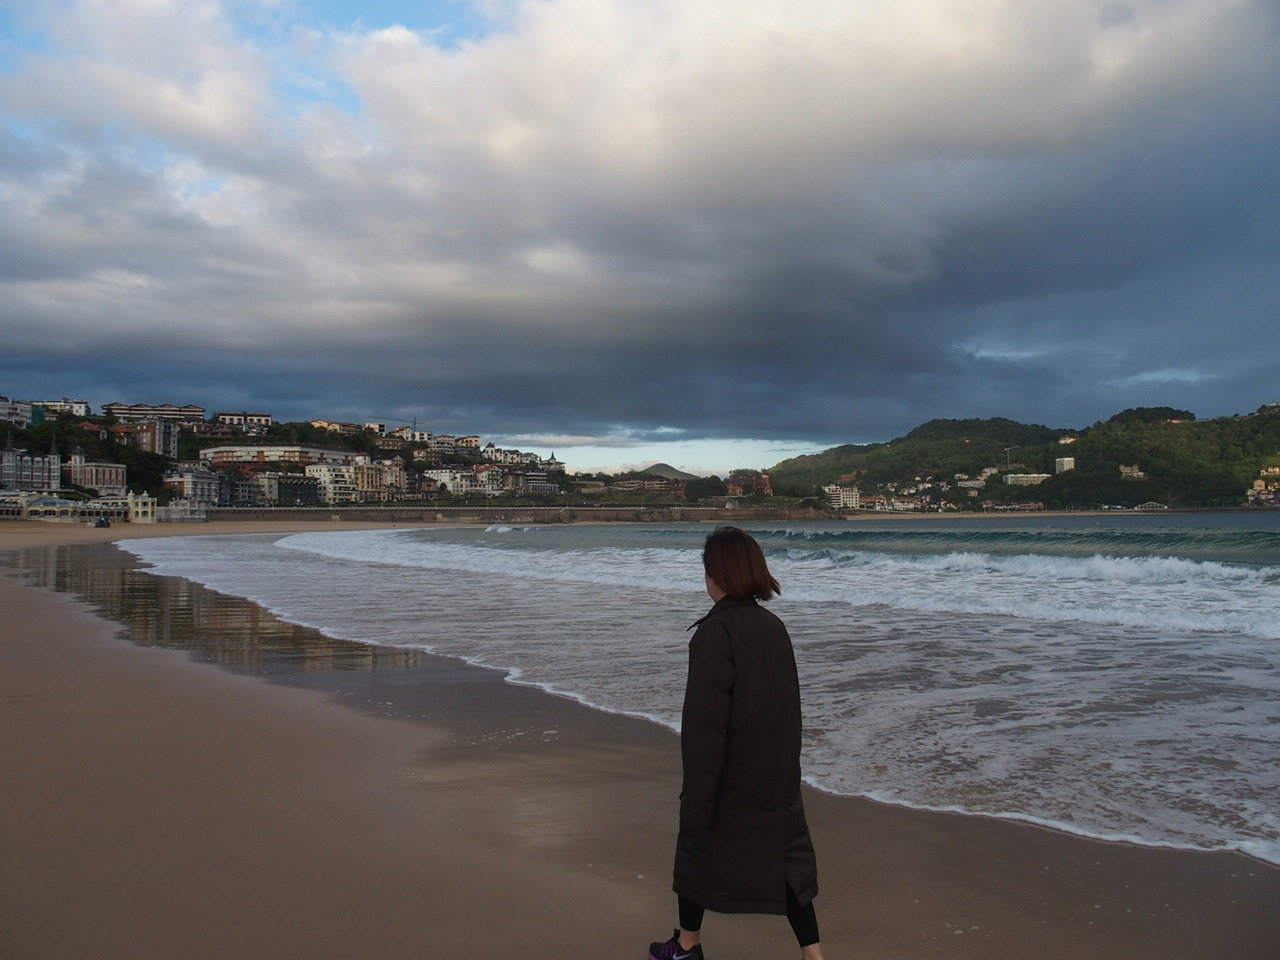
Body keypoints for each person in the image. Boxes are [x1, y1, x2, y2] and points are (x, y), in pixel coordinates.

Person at [649, 526, 823, 960]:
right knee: (787, 863)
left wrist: (699, 795)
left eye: (707, 570)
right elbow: (789, 711)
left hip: (728, 776)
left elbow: (705, 728)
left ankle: (687, 947)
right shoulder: (774, 627)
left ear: (718, 575)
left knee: (695, 847)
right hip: (775, 776)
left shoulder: (714, 633)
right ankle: (814, 954)